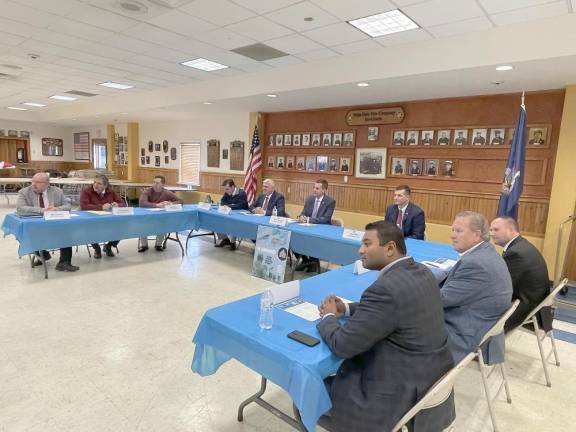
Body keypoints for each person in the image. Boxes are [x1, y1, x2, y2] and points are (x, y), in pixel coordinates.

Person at [316, 221, 455, 432]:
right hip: (429, 376)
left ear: (389, 248)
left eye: (366, 244)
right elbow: (392, 309)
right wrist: (346, 308)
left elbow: (343, 345)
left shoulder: (385, 289)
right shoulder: (422, 272)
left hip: (393, 395)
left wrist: (327, 318)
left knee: (310, 392)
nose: (360, 250)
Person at [440, 211, 512, 362]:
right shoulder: (485, 252)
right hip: (481, 320)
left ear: (476, 235)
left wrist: (414, 287)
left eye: (458, 231)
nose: (452, 235)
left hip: (464, 332)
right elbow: (451, 274)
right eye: (452, 230)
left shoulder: (475, 263)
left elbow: (440, 300)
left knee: (404, 323)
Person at [490, 217, 552, 333]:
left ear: (511, 230)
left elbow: (503, 287)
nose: (492, 234)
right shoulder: (521, 245)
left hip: (526, 307)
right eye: (491, 230)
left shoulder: (515, 252)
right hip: (533, 301)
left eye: (496, 230)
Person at [16, 172, 79, 272]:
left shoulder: (57, 191)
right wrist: (41, 210)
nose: (33, 184)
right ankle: (43, 255)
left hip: (55, 224)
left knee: (67, 231)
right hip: (35, 225)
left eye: (37, 182)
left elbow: (68, 206)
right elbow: (20, 208)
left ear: (47, 184)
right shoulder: (24, 192)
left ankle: (64, 262)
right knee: (27, 232)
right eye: (32, 181)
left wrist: (56, 209)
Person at [80, 174, 126, 258]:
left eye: (99, 183)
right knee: (89, 229)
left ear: (105, 185)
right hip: (91, 219)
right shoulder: (86, 191)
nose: (95, 185)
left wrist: (117, 205)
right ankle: (97, 248)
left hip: (109, 220)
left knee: (122, 227)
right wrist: (101, 207)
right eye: (94, 182)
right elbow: (84, 206)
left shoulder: (111, 192)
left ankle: (108, 246)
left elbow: (123, 203)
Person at [295, 179, 336, 272]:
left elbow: (325, 218)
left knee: (313, 240)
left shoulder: (330, 201)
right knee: (293, 236)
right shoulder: (310, 199)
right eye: (314, 187)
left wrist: (308, 219)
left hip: (322, 230)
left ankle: (312, 263)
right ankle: (306, 261)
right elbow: (303, 213)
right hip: (307, 228)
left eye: (317, 188)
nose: (314, 190)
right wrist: (301, 217)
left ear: (324, 190)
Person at [138, 175, 184, 253]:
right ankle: (144, 245)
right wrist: (156, 205)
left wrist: (170, 203)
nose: (155, 184)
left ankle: (158, 245)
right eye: (154, 182)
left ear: (163, 184)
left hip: (160, 217)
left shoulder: (166, 192)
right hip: (147, 216)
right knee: (142, 225)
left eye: (157, 183)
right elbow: (142, 203)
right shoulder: (147, 191)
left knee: (163, 223)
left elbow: (180, 201)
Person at [214, 179, 248, 250]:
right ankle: (225, 239)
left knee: (233, 221)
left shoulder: (242, 193)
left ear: (233, 187)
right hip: (229, 212)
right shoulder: (227, 192)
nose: (226, 191)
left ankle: (233, 242)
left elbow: (241, 205)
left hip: (241, 215)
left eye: (227, 189)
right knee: (217, 220)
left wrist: (229, 206)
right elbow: (222, 201)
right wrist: (229, 205)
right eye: (225, 189)